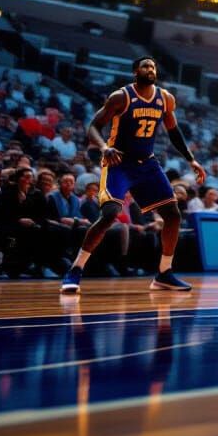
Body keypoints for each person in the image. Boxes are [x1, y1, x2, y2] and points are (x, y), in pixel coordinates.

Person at [61, 57, 205, 294]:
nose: (150, 69)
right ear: (135, 71)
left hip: (147, 164)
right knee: (109, 214)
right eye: (145, 66)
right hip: (119, 162)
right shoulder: (121, 97)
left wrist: (191, 159)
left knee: (173, 215)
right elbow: (93, 127)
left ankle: (164, 273)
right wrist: (104, 147)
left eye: (153, 66)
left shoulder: (165, 98)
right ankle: (75, 269)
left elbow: (174, 131)